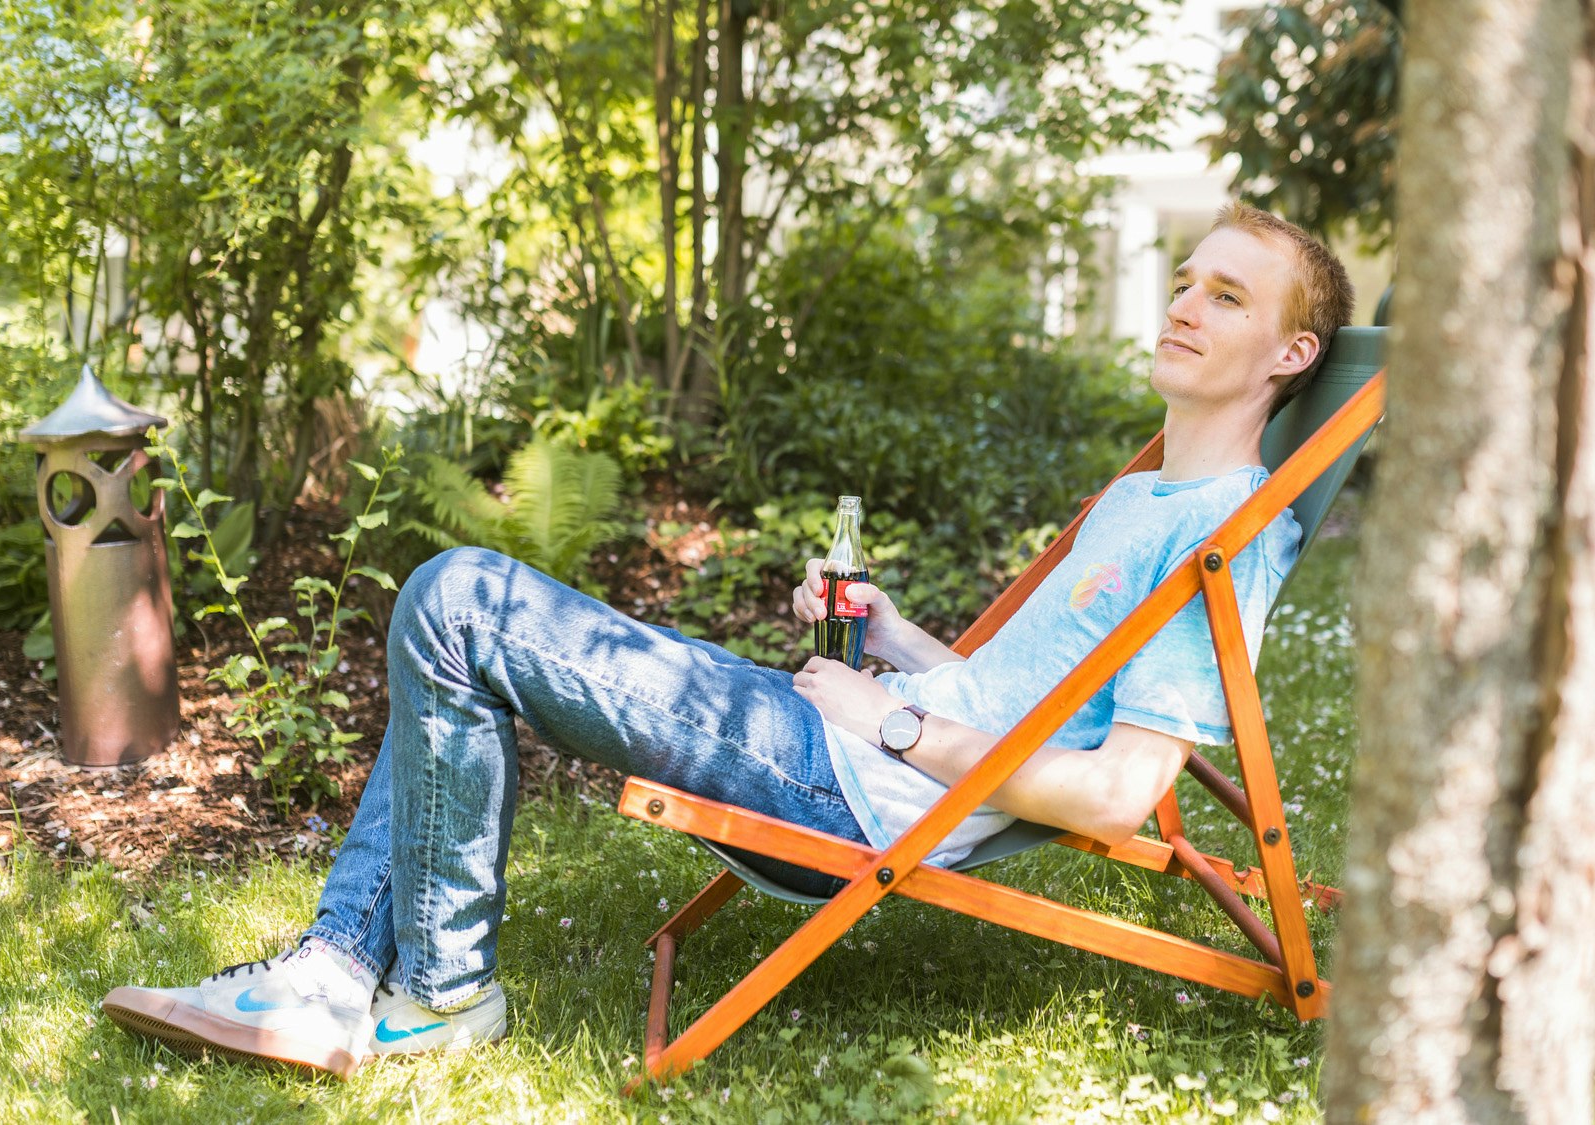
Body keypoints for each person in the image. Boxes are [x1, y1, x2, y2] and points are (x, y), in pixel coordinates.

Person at [100, 201, 1356, 1080]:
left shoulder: (1223, 538)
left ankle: (423, 994)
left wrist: (896, 723)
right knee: (458, 624)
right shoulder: (1143, 498)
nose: (1183, 303)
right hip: (833, 740)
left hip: (857, 800)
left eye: (1225, 295)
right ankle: (342, 973)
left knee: (460, 599)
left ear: (1292, 354)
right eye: (1185, 278)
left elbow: (1118, 794)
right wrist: (891, 637)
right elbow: (1031, 685)